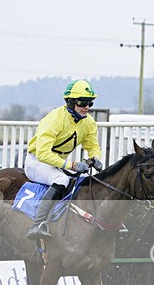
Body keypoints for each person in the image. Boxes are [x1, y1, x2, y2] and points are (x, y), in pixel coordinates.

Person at [25, 78, 104, 240]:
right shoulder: (54, 119)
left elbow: (92, 146)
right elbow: (43, 153)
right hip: (37, 162)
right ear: (70, 102)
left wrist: (95, 158)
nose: (86, 108)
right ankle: (37, 225)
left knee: (85, 182)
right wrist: (72, 165)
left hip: (57, 164)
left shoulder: (89, 123)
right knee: (61, 179)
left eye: (90, 103)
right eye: (82, 103)